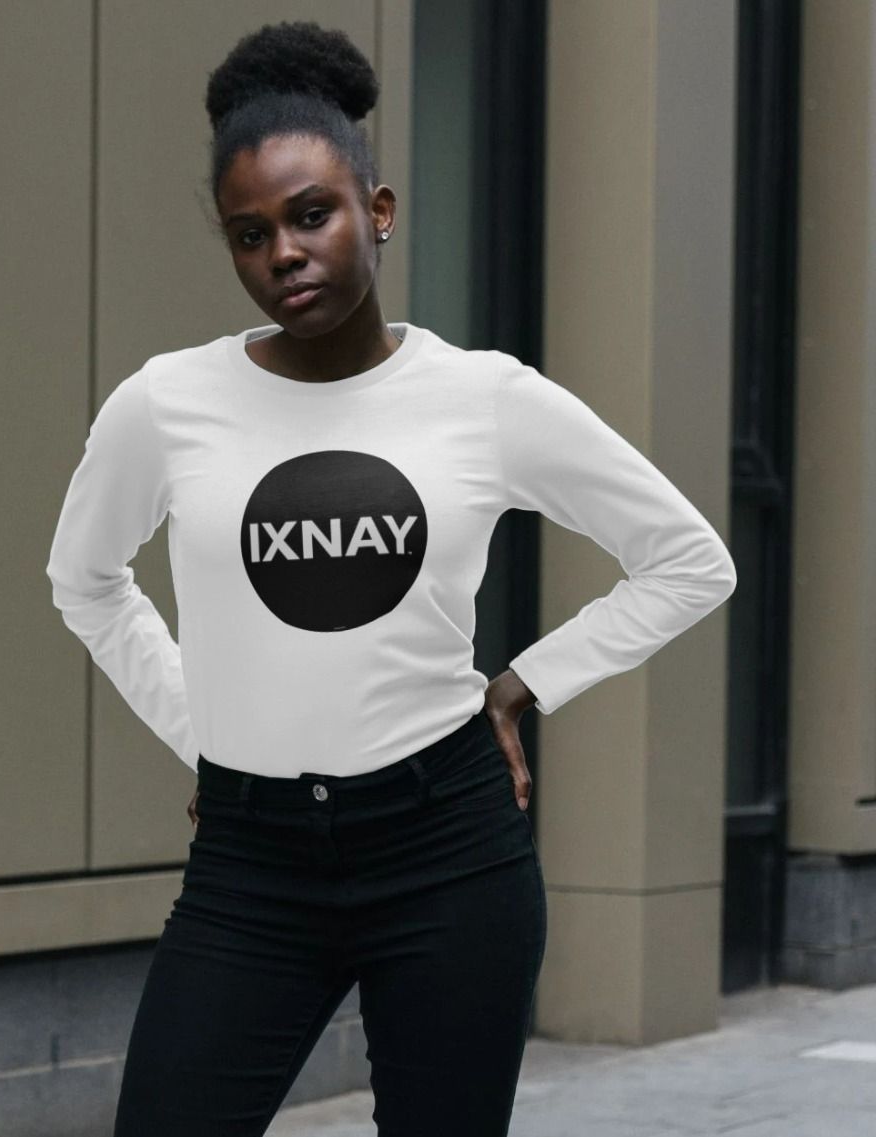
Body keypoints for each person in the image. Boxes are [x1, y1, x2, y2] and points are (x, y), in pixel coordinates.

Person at [45, 19, 738, 1137]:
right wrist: (204, 727)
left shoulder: (485, 398)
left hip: (448, 849)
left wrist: (519, 688)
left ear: (379, 209)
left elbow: (690, 560)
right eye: (249, 232)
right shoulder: (167, 405)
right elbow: (84, 579)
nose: (284, 252)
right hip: (249, 868)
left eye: (312, 214)